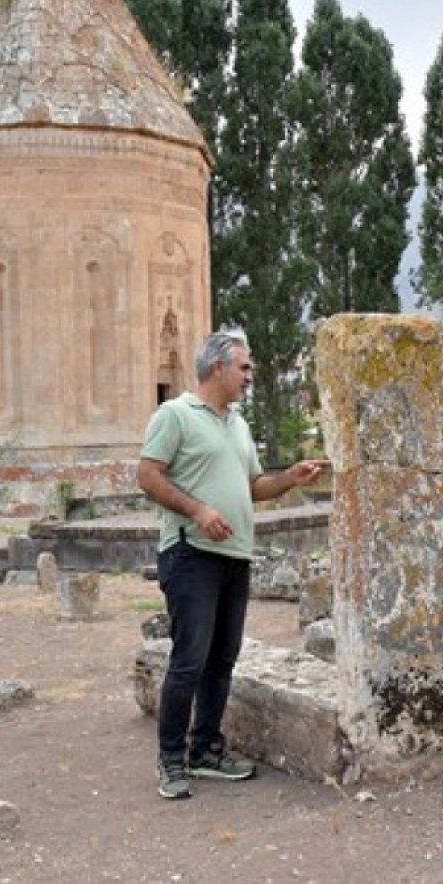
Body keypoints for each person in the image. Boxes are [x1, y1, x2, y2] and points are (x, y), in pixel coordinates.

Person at [138, 330, 327, 799]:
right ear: (217, 368)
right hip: (190, 555)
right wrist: (198, 510)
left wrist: (289, 478)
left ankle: (205, 749)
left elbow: (252, 485)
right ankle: (171, 761)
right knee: (189, 661)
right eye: (243, 367)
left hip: (235, 557)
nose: (250, 375)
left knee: (222, 660)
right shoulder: (176, 415)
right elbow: (147, 475)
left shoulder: (237, 424)